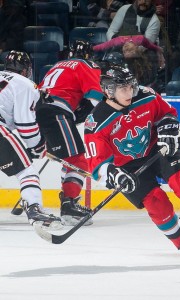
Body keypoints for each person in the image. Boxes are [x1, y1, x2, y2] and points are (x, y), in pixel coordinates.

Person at [84, 65, 180, 266]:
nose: (129, 92)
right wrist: (115, 175)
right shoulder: (96, 122)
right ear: (108, 90)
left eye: (131, 86)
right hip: (128, 168)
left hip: (157, 148)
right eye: (122, 88)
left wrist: (170, 125)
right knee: (157, 203)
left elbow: (167, 113)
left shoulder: (146, 95)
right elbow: (97, 164)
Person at [36, 40, 104, 226]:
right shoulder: (87, 64)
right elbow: (94, 95)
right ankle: (69, 206)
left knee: (68, 158)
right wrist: (107, 113)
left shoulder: (56, 66)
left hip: (38, 111)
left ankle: (67, 199)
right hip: (57, 112)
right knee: (78, 160)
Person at [0, 50, 62, 229]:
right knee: (27, 172)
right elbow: (25, 124)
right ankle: (34, 209)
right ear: (26, 69)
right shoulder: (25, 84)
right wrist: (38, 145)